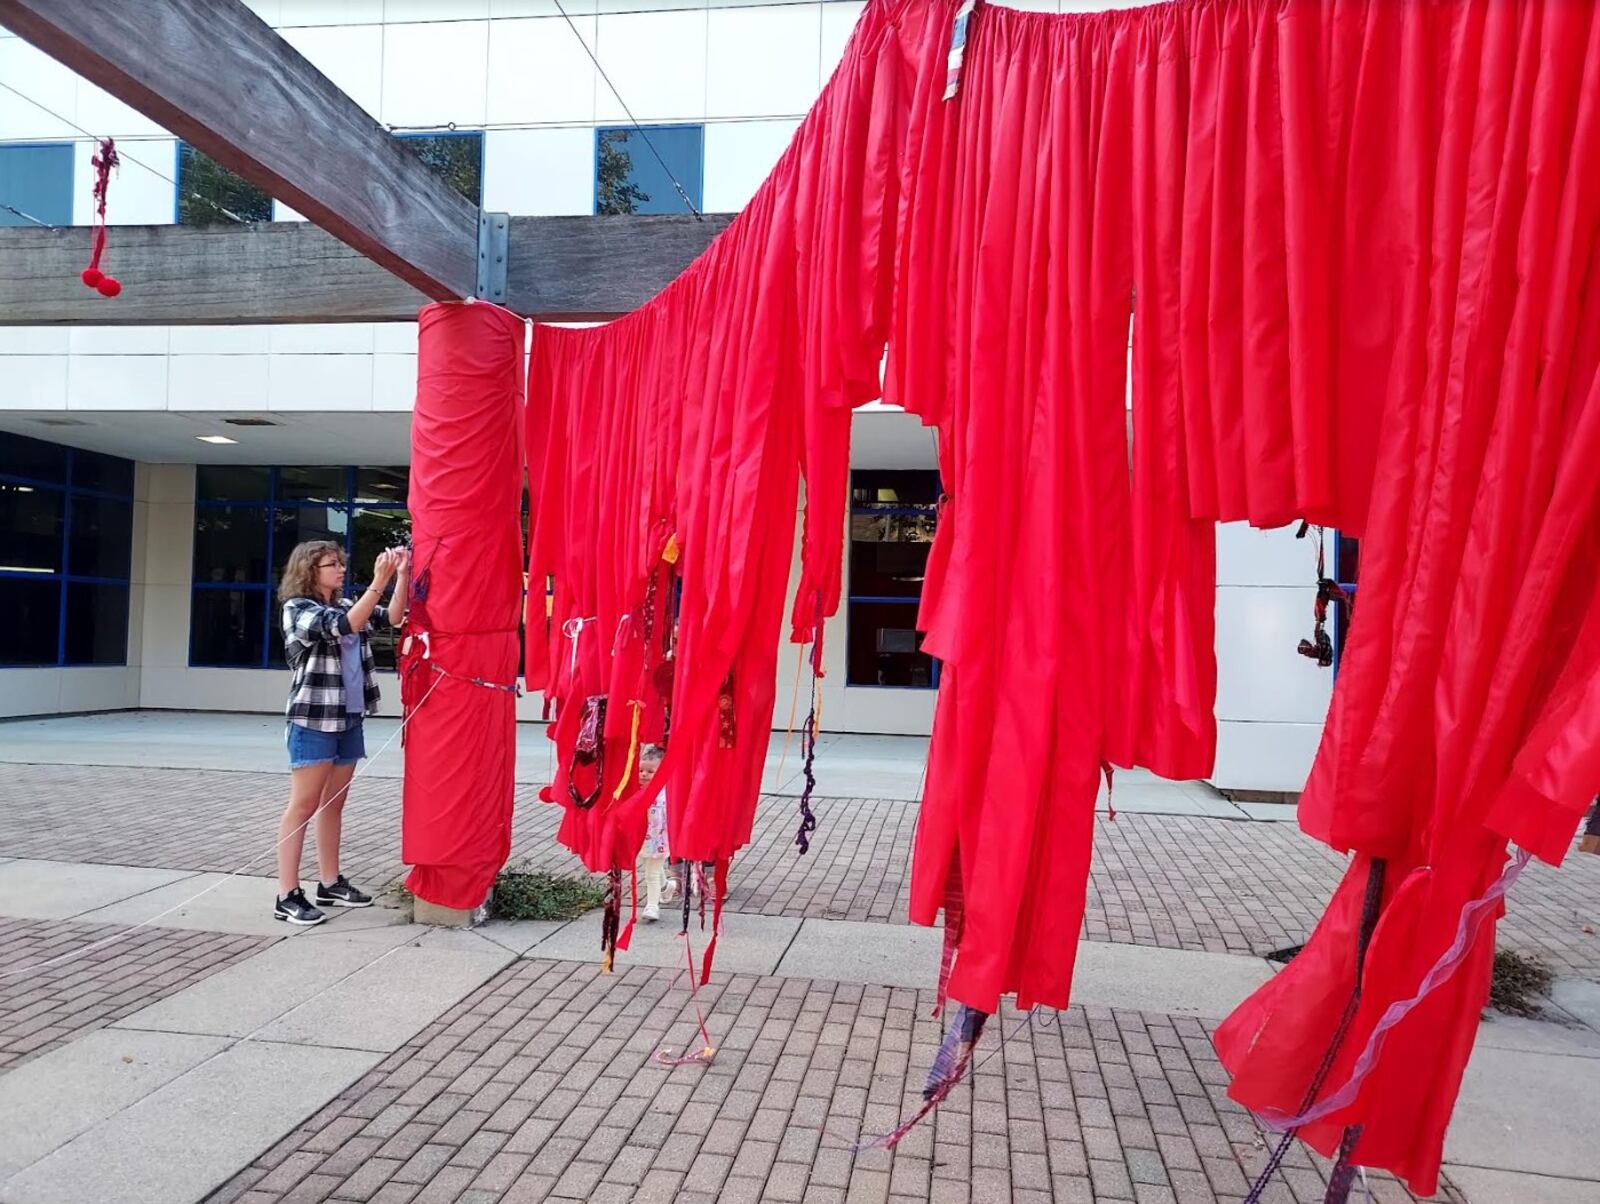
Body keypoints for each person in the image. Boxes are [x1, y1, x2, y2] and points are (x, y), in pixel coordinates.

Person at [273, 540, 409, 925]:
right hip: (313, 720)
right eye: (331, 564)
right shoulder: (297, 609)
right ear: (309, 570)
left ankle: (329, 882)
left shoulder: (348, 604)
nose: (341, 569)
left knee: (333, 805)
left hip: (348, 718)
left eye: (341, 563)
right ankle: (287, 893)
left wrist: (401, 574)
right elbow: (339, 627)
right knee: (302, 807)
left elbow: (394, 617)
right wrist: (378, 581)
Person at [637, 745, 677, 921]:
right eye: (641, 770)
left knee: (650, 873)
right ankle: (667, 886)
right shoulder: (636, 789)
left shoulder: (666, 792)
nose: (644, 774)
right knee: (652, 866)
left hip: (659, 839)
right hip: (642, 838)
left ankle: (652, 906)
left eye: (650, 771)